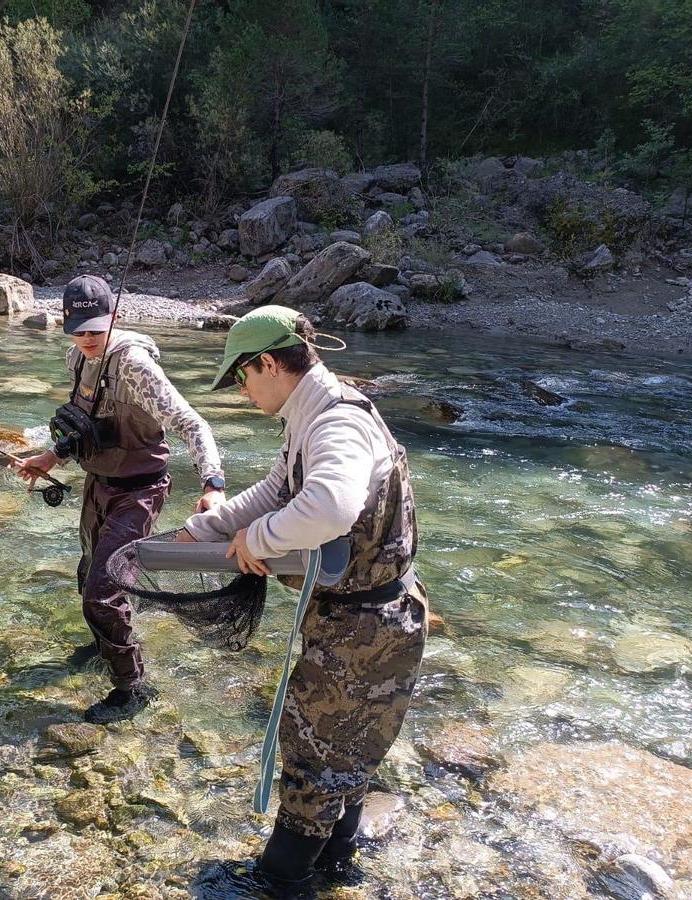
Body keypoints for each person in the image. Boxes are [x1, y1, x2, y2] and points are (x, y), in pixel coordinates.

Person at [182, 305, 427, 896]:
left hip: (366, 624)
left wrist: (257, 541)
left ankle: (280, 882)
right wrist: (204, 531)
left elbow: (329, 507)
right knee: (348, 750)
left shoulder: (336, 424)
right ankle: (337, 865)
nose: (241, 392)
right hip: (368, 615)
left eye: (241, 376)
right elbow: (276, 491)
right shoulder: (309, 414)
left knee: (313, 757)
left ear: (269, 363)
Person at [12, 275, 227, 724]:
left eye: (96, 328)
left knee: (102, 592)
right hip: (98, 485)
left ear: (114, 317)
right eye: (79, 330)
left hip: (139, 491)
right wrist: (50, 457)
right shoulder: (77, 358)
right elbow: (84, 426)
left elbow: (193, 424)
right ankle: (106, 644)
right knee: (88, 575)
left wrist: (213, 483)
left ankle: (133, 688)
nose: (88, 338)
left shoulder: (134, 366)